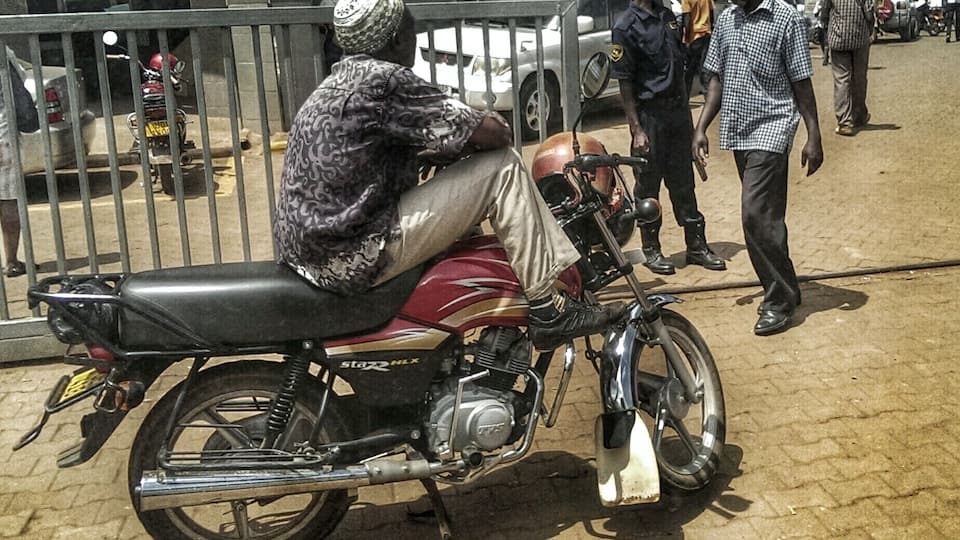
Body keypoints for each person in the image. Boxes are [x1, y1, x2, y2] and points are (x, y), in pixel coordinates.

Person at [273, 0, 622, 351]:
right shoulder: (386, 80)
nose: (416, 36)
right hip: (351, 254)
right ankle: (548, 306)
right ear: (395, 39)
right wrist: (475, 123)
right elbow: (496, 134)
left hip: (313, 251)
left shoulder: (340, 80)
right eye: (412, 28)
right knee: (502, 166)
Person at [692, 0, 824, 336]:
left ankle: (777, 302)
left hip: (773, 126)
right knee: (767, 217)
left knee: (754, 214)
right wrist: (700, 128)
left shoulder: (786, 19)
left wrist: (814, 135)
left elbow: (801, 83)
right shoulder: (726, 20)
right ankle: (787, 287)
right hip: (738, 130)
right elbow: (716, 80)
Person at [610, 0, 726, 276]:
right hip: (650, 117)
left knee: (684, 182)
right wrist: (636, 129)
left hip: (678, 114)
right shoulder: (626, 26)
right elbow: (624, 82)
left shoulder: (666, 16)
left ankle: (696, 246)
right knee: (648, 186)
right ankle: (652, 249)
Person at [1, 48, 36, 278]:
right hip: (3, 135)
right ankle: (11, 260)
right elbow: (19, 84)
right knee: (8, 200)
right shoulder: (3, 52)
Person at [821, 0, 874, 136]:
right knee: (859, 78)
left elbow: (824, 11)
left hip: (838, 38)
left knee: (841, 80)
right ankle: (859, 114)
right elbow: (869, 14)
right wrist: (871, 30)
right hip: (859, 38)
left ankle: (845, 123)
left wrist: (825, 28)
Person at [681, 0, 714, 95]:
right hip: (706, 34)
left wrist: (686, 40)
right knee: (704, 68)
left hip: (694, 37)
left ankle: (685, 97)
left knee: (689, 71)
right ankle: (707, 94)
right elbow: (711, 14)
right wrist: (711, 28)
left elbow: (686, 19)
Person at [813, 0, 831, 65]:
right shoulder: (819, 2)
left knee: (826, 41)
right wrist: (820, 10)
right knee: (821, 41)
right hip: (820, 24)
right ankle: (825, 55)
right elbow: (815, 13)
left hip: (828, 23)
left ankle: (825, 58)